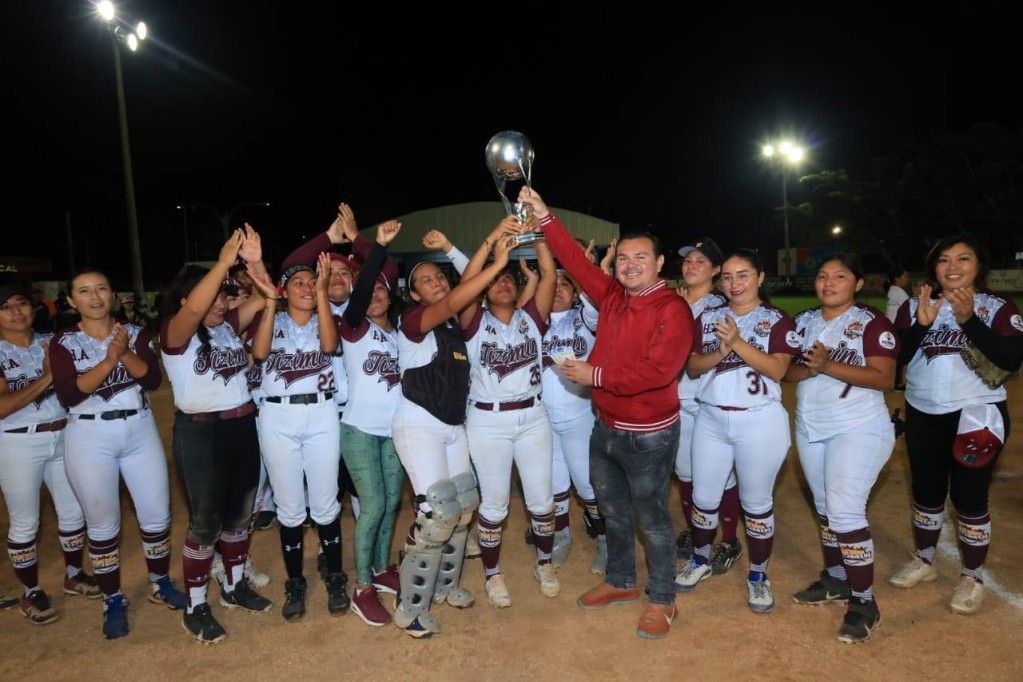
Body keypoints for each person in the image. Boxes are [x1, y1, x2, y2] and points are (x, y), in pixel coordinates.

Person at [520, 187, 693, 640]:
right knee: (613, 512)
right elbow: (573, 262)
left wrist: (595, 375)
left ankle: (663, 598)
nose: (630, 265)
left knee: (651, 519)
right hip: (606, 427)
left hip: (649, 434)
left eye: (641, 258)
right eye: (624, 259)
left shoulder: (673, 309)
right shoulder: (613, 296)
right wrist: (545, 216)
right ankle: (620, 581)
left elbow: (659, 371)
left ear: (659, 264)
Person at [390, 227, 520, 638]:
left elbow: (464, 288)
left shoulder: (454, 327)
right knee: (435, 514)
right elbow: (458, 295)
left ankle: (445, 587)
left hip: (452, 426)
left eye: (439, 275)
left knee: (463, 508)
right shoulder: (413, 321)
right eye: (425, 280)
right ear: (413, 294)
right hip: (419, 425)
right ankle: (408, 607)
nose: (437, 282)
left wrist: (492, 239)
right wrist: (498, 262)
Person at [889, 233, 1023, 614]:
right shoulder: (917, 305)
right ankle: (925, 560)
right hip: (923, 412)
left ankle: (973, 575)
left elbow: (1012, 356)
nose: (952, 267)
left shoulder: (996, 307)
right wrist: (918, 325)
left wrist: (968, 321)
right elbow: (896, 354)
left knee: (970, 498)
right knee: (927, 493)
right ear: (935, 267)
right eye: (944, 260)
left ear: (979, 267)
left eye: (963, 259)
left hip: (977, 415)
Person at [49, 268, 187, 639]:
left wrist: (123, 351)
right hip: (89, 433)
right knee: (103, 523)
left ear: (112, 295)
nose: (95, 297)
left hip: (138, 427)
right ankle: (112, 598)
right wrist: (109, 361)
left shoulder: (137, 333)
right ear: (70, 300)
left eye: (102, 288)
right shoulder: (62, 341)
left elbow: (154, 380)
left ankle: (160, 581)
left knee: (157, 513)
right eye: (84, 291)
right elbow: (69, 395)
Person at [159, 226, 275, 643]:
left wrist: (255, 261)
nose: (221, 302)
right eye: (213, 295)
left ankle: (233, 585)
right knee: (206, 524)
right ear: (188, 298)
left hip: (242, 425)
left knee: (239, 516)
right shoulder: (176, 331)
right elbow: (194, 310)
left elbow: (264, 295)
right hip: (202, 433)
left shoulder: (225, 325)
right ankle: (195, 607)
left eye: (224, 296)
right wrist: (223, 261)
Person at [673, 248, 800, 615]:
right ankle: (699, 559)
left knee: (757, 505)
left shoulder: (776, 319)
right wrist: (721, 351)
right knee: (704, 497)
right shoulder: (709, 316)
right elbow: (694, 368)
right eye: (727, 277)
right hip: (711, 418)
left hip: (759, 421)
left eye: (743, 275)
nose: (734, 283)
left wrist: (738, 344)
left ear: (760, 277)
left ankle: (758, 576)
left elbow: (777, 371)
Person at [785, 253, 898, 643]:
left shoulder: (871, 322)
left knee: (845, 511)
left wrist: (828, 366)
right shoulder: (804, 321)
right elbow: (789, 371)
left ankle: (865, 601)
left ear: (858, 283)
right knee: (824, 508)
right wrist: (812, 368)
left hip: (859, 428)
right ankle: (836, 578)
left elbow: (885, 378)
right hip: (811, 424)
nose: (829, 283)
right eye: (822, 276)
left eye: (840, 276)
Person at [460, 216, 559, 608]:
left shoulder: (530, 319)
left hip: (534, 416)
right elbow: (466, 283)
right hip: (487, 420)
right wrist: (493, 252)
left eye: (507, 280)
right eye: (495, 280)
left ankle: (545, 563)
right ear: (484, 291)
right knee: (495, 503)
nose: (502, 283)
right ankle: (492, 574)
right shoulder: (472, 320)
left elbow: (549, 273)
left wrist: (536, 233)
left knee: (541, 500)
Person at [247, 252, 347, 621]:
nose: (306, 287)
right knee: (289, 507)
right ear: (283, 291)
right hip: (277, 414)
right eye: (298, 283)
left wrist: (321, 294)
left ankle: (335, 576)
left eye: (311, 280)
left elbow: (328, 347)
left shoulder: (328, 315)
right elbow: (258, 353)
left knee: (325, 503)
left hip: (321, 412)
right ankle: (295, 582)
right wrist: (271, 304)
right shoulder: (269, 318)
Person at [0, 283, 100, 627]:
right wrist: (47, 376)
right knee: (26, 520)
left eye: (21, 302)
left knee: (73, 512)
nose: (16, 311)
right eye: (6, 306)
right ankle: (30, 592)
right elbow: (3, 406)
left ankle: (74, 574)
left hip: (63, 433)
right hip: (17, 441)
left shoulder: (50, 341)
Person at [338, 220, 405, 627]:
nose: (375, 294)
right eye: (369, 289)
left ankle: (381, 569)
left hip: (394, 430)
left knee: (392, 503)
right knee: (374, 505)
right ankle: (362, 588)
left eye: (381, 288)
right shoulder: (354, 327)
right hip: (360, 429)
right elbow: (361, 289)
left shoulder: (399, 333)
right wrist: (372, 247)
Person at [672, 238, 744, 577]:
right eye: (688, 260)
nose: (692, 265)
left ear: (716, 270)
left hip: (711, 403)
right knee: (686, 474)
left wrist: (684, 314)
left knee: (720, 477)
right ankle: (696, 531)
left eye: (701, 261)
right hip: (679, 399)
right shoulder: (672, 301)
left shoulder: (724, 306)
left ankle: (729, 539)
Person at [540, 264, 607, 573]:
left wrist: (583, 272)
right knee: (554, 484)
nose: (558, 289)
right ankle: (562, 535)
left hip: (580, 415)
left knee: (587, 485)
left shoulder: (585, 317)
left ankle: (606, 541)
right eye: (553, 284)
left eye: (566, 284)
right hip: (543, 419)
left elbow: (594, 300)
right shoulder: (533, 321)